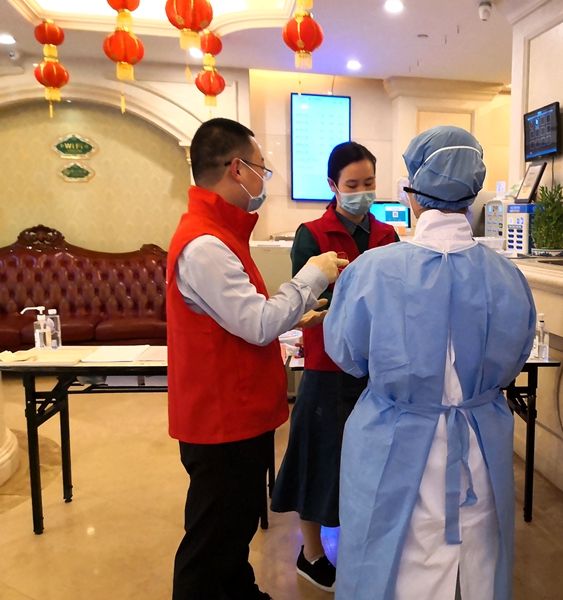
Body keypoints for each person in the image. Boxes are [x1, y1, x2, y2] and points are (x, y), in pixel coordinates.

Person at [324, 126, 536, 600]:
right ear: (473, 193)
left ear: (413, 194)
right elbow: (515, 358)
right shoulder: (507, 276)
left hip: (392, 441)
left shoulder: (371, 271)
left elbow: (348, 355)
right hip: (479, 444)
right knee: (478, 562)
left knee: (388, 562)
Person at [167, 118, 346, 600]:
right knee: (211, 541)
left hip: (237, 413)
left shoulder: (219, 235)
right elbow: (257, 323)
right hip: (221, 418)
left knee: (234, 528)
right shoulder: (205, 245)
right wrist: (312, 274)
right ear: (237, 168)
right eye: (261, 170)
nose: (263, 180)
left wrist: (296, 315)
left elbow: (241, 318)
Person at [271, 141, 398, 592]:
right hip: (327, 365)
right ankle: (311, 553)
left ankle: (366, 545)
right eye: (352, 184)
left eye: (369, 183)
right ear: (333, 185)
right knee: (318, 459)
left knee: (374, 464)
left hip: (377, 369)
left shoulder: (387, 236)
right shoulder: (313, 234)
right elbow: (309, 299)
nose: (362, 192)